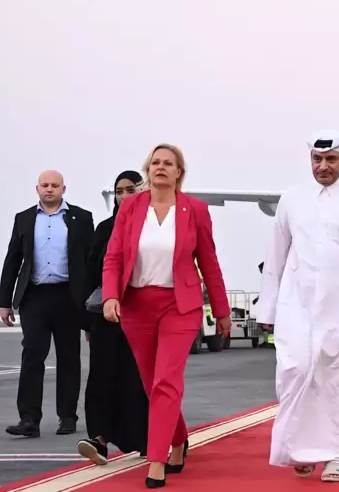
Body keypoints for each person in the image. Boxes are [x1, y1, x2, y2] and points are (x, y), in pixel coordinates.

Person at [257, 130, 339, 483]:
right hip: (295, 306)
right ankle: (299, 450)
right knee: (295, 371)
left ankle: (334, 455)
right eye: (317, 159)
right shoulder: (291, 199)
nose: (323, 166)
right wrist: (267, 310)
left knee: (336, 382)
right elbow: (275, 257)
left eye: (331, 159)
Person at [102, 144, 231, 488]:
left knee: (166, 382)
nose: (160, 167)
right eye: (155, 163)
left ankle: (156, 460)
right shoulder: (130, 207)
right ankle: (178, 439)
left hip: (180, 305)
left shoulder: (196, 210)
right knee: (151, 384)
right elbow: (114, 256)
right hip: (137, 305)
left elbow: (209, 262)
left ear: (179, 172)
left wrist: (221, 311)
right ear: (148, 170)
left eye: (168, 164)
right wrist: (111, 295)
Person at [0, 170, 94, 438]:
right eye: (45, 185)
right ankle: (29, 418)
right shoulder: (25, 218)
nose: (49, 189)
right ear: (37, 188)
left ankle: (67, 417)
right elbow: (12, 260)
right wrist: (5, 302)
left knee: (68, 357)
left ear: (64, 188)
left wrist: (92, 305)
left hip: (69, 296)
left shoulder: (81, 218)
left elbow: (91, 261)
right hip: (35, 296)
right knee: (32, 355)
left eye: (55, 185)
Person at [78, 171, 149, 464]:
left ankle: (146, 438)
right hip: (107, 316)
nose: (123, 196)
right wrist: (88, 321)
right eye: (119, 191)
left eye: (130, 189)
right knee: (101, 376)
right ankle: (99, 439)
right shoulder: (105, 228)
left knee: (137, 379)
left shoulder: (153, 227)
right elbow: (91, 271)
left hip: (143, 315)